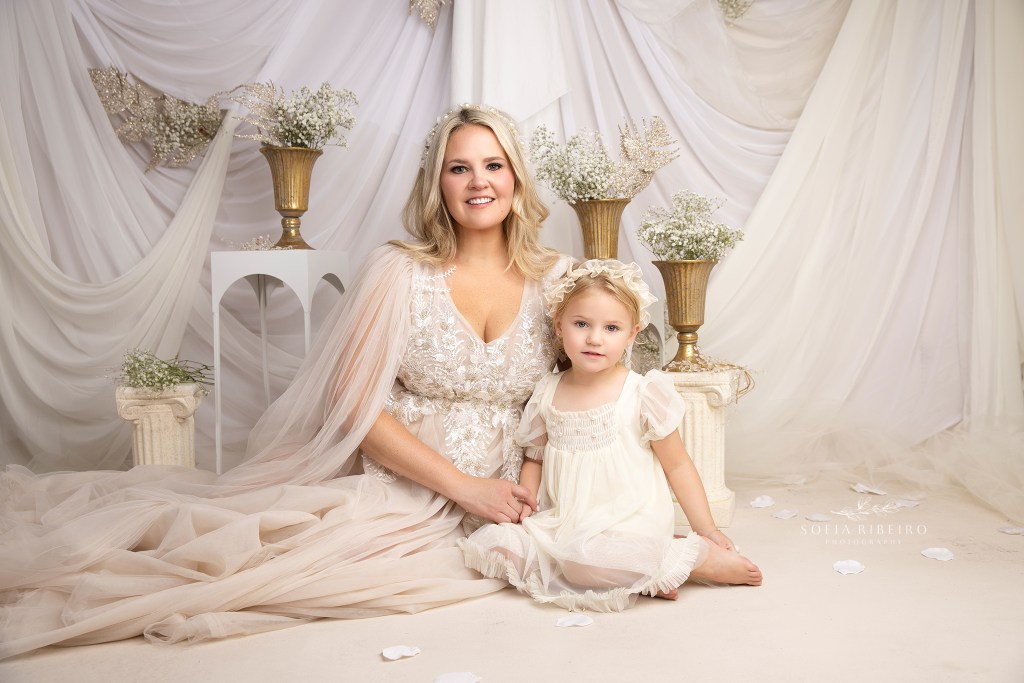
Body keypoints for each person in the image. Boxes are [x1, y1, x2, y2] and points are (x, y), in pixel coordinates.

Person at [0, 104, 571, 659]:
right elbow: (352, 406)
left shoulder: (558, 281)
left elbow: (572, 397)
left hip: (514, 489)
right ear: (437, 183)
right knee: (258, 560)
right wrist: (463, 487)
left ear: (517, 177)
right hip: (405, 479)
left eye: (494, 165)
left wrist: (527, 491)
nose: (479, 182)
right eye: (459, 167)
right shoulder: (398, 270)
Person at [460, 259, 762, 612]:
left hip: (627, 525)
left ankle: (695, 558)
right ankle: (650, 573)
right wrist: (527, 514)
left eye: (611, 328)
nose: (594, 338)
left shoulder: (642, 393)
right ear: (559, 326)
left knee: (581, 563)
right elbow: (535, 457)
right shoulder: (547, 391)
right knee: (494, 545)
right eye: (582, 323)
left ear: (632, 334)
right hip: (565, 524)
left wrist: (707, 530)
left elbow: (677, 465)